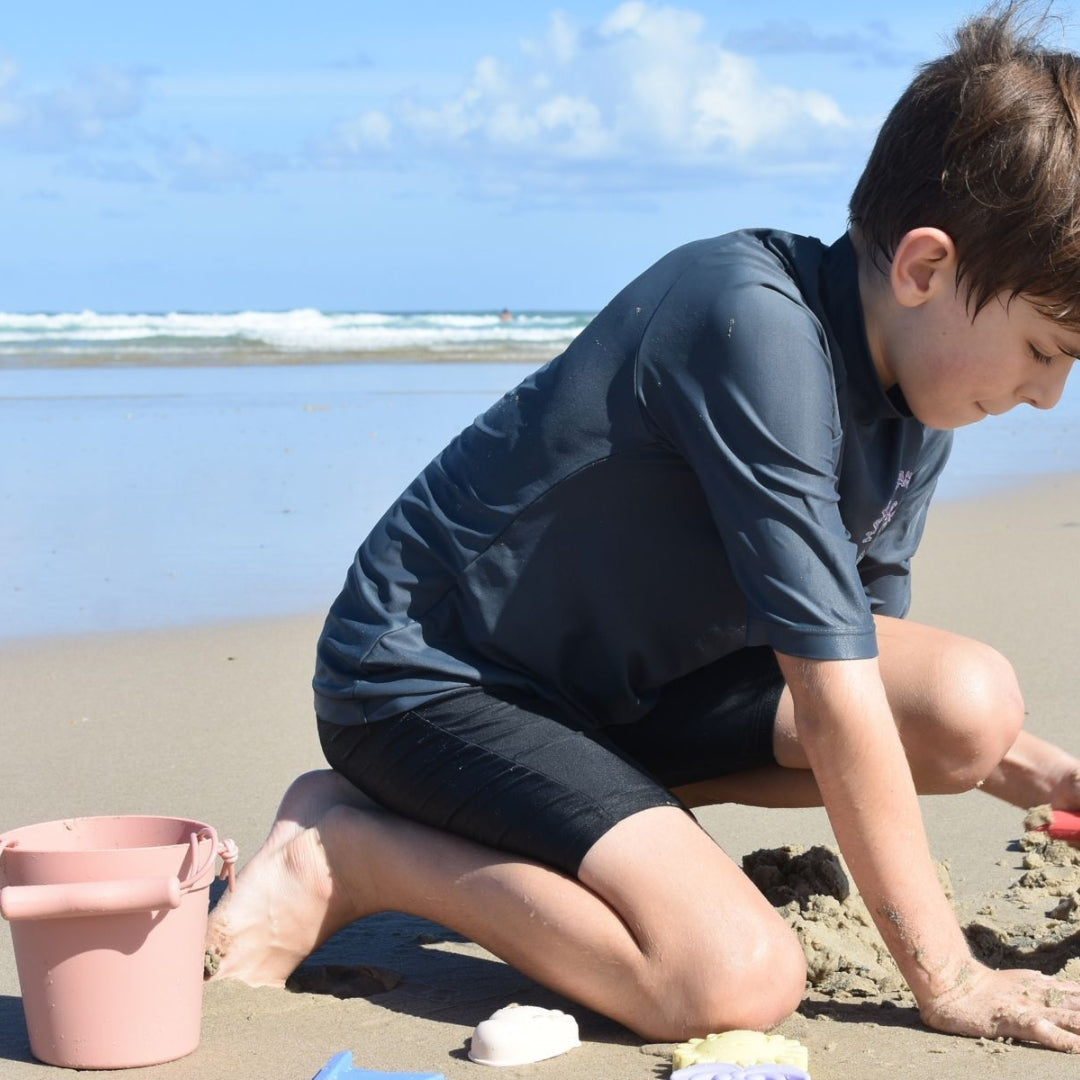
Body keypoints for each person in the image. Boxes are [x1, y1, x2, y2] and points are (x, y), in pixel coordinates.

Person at [206, 2, 1080, 1053]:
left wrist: (1039, 773)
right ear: (926, 270)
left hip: (618, 694)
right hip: (431, 680)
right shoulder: (750, 324)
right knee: (730, 976)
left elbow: (867, 662)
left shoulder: (920, 398)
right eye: (1043, 350)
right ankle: (352, 851)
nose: (1049, 397)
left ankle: (595, 818)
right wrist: (945, 975)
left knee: (969, 709)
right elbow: (833, 696)